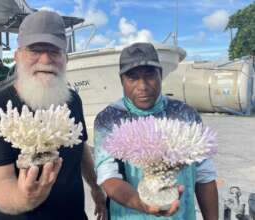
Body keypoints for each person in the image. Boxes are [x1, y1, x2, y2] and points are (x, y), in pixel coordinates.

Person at [0, 10, 106, 220]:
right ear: (17, 56)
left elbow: (80, 149)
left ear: (66, 58)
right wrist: (24, 198)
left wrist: (96, 188)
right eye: (35, 50)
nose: (45, 59)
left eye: (54, 51)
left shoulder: (73, 99)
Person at [94, 42, 219, 220]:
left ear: (160, 75)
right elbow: (108, 176)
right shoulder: (109, 118)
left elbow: (204, 174)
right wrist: (142, 204)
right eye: (133, 78)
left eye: (150, 75)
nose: (143, 86)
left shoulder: (185, 114)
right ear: (122, 80)